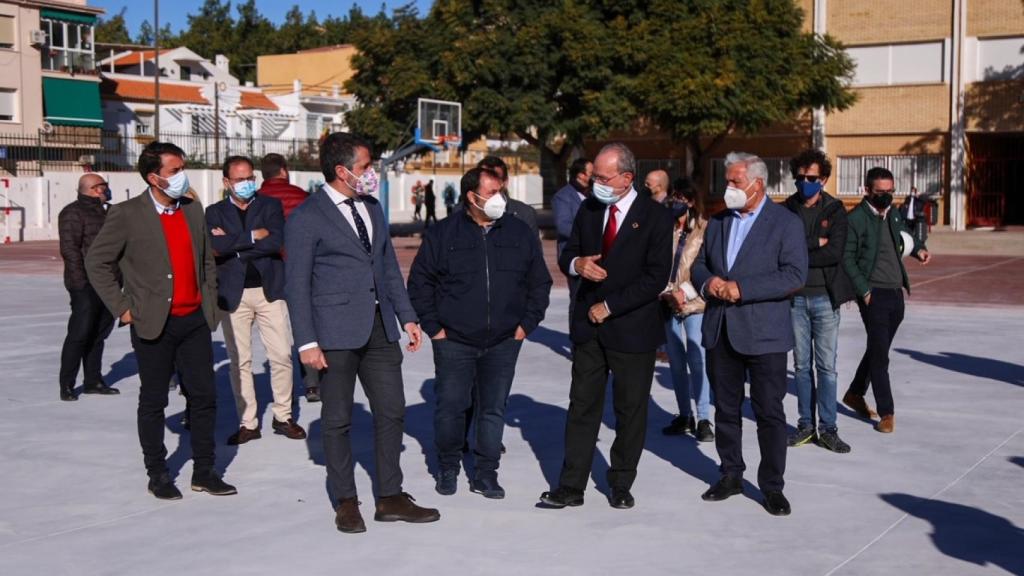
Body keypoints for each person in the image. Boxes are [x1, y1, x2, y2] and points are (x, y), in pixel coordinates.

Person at [285, 132, 440, 533]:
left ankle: (390, 496)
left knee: (392, 410)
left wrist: (407, 317)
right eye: (365, 167)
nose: (371, 173)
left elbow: (387, 268)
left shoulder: (371, 208)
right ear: (342, 171)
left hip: (380, 329)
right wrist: (306, 342)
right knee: (337, 420)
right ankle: (346, 501)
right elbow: (296, 285)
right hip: (332, 334)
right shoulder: (307, 217)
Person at [86, 141, 236, 500]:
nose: (182, 176)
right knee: (154, 400)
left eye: (182, 168)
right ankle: (158, 472)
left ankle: (204, 470)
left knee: (204, 397)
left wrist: (210, 303)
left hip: (195, 320)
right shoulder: (126, 214)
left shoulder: (192, 209)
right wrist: (122, 307)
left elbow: (206, 261)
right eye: (174, 171)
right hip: (153, 323)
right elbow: (97, 262)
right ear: (154, 178)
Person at [539, 142, 673, 510]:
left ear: (627, 178)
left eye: (602, 176)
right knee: (582, 406)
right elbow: (567, 253)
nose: (594, 182)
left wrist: (610, 306)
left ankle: (620, 482)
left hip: (632, 327)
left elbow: (656, 276)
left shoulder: (657, 218)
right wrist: (577, 264)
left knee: (630, 410)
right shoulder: (589, 208)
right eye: (593, 175)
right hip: (589, 329)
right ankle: (571, 485)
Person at [408, 167, 552, 499]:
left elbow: (539, 283)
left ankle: (486, 473)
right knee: (451, 407)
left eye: (500, 190)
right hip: (454, 340)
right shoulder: (444, 233)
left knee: (492, 408)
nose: (498, 197)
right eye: (490, 192)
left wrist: (525, 325)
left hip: (504, 340)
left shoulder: (518, 232)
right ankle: (447, 466)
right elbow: (420, 282)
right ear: (471, 196)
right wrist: (435, 328)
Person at [691, 152, 807, 516]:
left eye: (735, 182)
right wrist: (708, 282)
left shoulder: (785, 223)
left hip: (764, 334)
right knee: (725, 409)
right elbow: (699, 264)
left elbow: (793, 275)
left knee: (769, 412)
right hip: (721, 330)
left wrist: (742, 288)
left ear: (757, 184)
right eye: (727, 181)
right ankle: (730, 473)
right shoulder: (719, 221)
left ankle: (772, 485)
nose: (728, 189)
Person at [207, 156, 306, 446]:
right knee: (240, 361)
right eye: (239, 179)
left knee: (281, 356)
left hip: (269, 291)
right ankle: (248, 422)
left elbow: (275, 242)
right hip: (232, 294)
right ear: (226, 182)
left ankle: (283, 416)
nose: (246, 183)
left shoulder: (270, 205)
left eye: (250, 177)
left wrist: (233, 245)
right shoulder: (213, 212)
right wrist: (252, 237)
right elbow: (213, 247)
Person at [842, 167, 931, 434]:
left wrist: (920, 250)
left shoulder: (893, 214)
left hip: (895, 292)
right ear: (867, 190)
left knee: (876, 350)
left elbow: (907, 236)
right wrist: (863, 290)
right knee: (881, 356)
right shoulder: (856, 219)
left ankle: (855, 392)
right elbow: (847, 258)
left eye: (890, 191)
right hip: (874, 294)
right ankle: (887, 412)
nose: (886, 196)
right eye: (880, 192)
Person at [783, 150, 856, 453]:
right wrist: (815, 243)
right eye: (800, 178)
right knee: (801, 367)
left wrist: (802, 250)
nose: (805, 183)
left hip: (826, 299)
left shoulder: (836, 210)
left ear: (823, 179)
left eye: (811, 178)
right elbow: (783, 251)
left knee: (827, 367)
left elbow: (834, 253)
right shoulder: (786, 209)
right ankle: (805, 426)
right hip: (795, 299)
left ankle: (828, 428)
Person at [258, 152, 321, 403]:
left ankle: (283, 391)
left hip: (269, 271)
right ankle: (312, 383)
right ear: (283, 171)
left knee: (278, 331)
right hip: (303, 268)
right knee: (307, 324)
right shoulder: (302, 196)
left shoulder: (257, 200)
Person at [659, 179, 713, 442]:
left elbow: (708, 267)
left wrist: (685, 293)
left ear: (691, 201)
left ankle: (704, 418)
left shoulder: (705, 229)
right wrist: (665, 292)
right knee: (676, 363)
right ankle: (685, 415)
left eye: (681, 197)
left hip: (694, 303)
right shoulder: (664, 228)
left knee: (697, 359)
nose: (676, 202)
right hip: (666, 301)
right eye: (673, 196)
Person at [57, 173, 119, 401]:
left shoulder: (111, 212)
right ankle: (67, 383)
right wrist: (81, 282)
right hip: (84, 284)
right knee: (80, 333)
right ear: (94, 189)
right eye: (104, 187)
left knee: (99, 333)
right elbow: (70, 250)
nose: (107, 190)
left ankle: (93, 380)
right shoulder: (72, 212)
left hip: (110, 283)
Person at [477, 155, 539, 236]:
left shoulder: (525, 214)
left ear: (505, 182)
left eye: (495, 180)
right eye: (484, 180)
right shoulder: (461, 212)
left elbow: (533, 247)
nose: (489, 185)